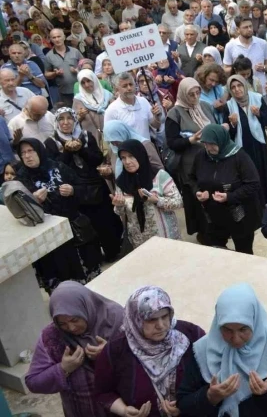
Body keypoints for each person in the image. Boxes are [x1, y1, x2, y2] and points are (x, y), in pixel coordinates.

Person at [177, 283, 267, 416]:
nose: (236, 339)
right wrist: (210, 397)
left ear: (254, 321)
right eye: (227, 330)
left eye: (243, 329)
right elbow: (183, 402)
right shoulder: (203, 350)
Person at [94, 286, 205, 417]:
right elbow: (104, 392)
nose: (161, 325)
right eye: (151, 319)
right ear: (136, 319)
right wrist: (124, 410)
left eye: (164, 316)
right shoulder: (116, 351)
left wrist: (187, 405)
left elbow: (211, 377)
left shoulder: (191, 335)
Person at [15, 138, 103, 292]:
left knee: (92, 284)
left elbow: (86, 189)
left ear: (39, 151)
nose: (27, 156)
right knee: (65, 286)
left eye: (30, 151)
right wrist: (34, 201)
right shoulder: (21, 179)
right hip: (49, 238)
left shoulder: (58, 167)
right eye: (23, 153)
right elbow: (19, 209)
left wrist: (73, 190)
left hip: (75, 231)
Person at [25, 282, 124, 417]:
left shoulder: (116, 319)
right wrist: (63, 369)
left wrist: (111, 353)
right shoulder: (52, 337)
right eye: (63, 324)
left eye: (75, 319)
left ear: (87, 307)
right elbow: (33, 382)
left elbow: (148, 356)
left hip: (124, 409)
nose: (71, 328)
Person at [45, 107, 122, 262]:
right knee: (85, 226)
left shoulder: (86, 136)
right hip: (73, 190)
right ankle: (93, 259)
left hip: (94, 186)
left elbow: (97, 159)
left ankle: (112, 252)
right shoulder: (51, 142)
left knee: (105, 221)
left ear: (75, 120)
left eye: (69, 118)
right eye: (61, 119)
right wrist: (67, 151)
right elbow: (56, 167)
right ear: (56, 122)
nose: (65, 122)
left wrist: (81, 149)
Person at [191, 124, 263, 254]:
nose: (208, 148)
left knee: (244, 253)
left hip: (239, 216)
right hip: (214, 216)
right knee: (217, 250)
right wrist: (198, 191)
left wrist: (230, 197)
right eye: (205, 144)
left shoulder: (239, 156)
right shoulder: (201, 156)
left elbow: (253, 184)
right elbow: (192, 178)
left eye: (212, 144)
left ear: (221, 140)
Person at [165, 77, 215, 241]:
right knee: (198, 197)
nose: (195, 98)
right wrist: (190, 140)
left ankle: (218, 227)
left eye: (197, 93)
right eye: (191, 95)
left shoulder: (204, 107)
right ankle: (204, 232)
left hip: (211, 159)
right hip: (191, 164)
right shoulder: (175, 113)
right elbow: (172, 142)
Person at [112, 139, 183, 249]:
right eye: (123, 158)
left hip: (165, 237)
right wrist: (119, 205)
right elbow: (121, 213)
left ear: (140, 155)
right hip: (139, 240)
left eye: (131, 156)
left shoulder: (159, 176)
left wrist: (157, 200)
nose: (127, 162)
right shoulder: (121, 182)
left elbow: (178, 202)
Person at [222, 75, 267, 202]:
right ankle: (255, 202)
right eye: (233, 87)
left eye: (239, 85)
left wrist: (259, 114)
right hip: (243, 148)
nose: (237, 89)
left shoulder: (257, 98)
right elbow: (228, 135)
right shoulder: (229, 106)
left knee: (264, 174)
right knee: (248, 175)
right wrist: (233, 125)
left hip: (259, 146)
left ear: (245, 86)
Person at [104, 72, 162, 141]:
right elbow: (110, 137)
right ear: (117, 89)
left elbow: (155, 125)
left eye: (131, 84)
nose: (129, 88)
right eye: (125, 86)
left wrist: (156, 116)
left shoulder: (143, 101)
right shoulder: (111, 110)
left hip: (147, 147)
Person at [73, 69, 112, 144]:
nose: (86, 85)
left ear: (94, 79)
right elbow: (75, 120)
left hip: (110, 133)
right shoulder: (78, 99)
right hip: (92, 137)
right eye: (83, 83)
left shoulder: (107, 95)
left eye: (88, 81)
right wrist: (80, 115)